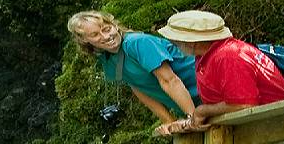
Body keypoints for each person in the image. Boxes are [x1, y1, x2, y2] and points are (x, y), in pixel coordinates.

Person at [66, 11, 201, 136]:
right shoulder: (107, 58)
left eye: (107, 29)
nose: (106, 36)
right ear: (85, 41)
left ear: (115, 26)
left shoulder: (137, 43)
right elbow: (138, 88)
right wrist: (168, 121)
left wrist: (192, 117)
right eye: (95, 35)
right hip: (194, 108)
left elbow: (169, 80)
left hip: (209, 95)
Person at [156, 10, 284, 131]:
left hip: (280, 127)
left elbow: (244, 104)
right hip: (257, 128)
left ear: (191, 41)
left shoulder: (228, 56)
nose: (173, 44)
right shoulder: (204, 56)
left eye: (175, 40)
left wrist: (203, 111)